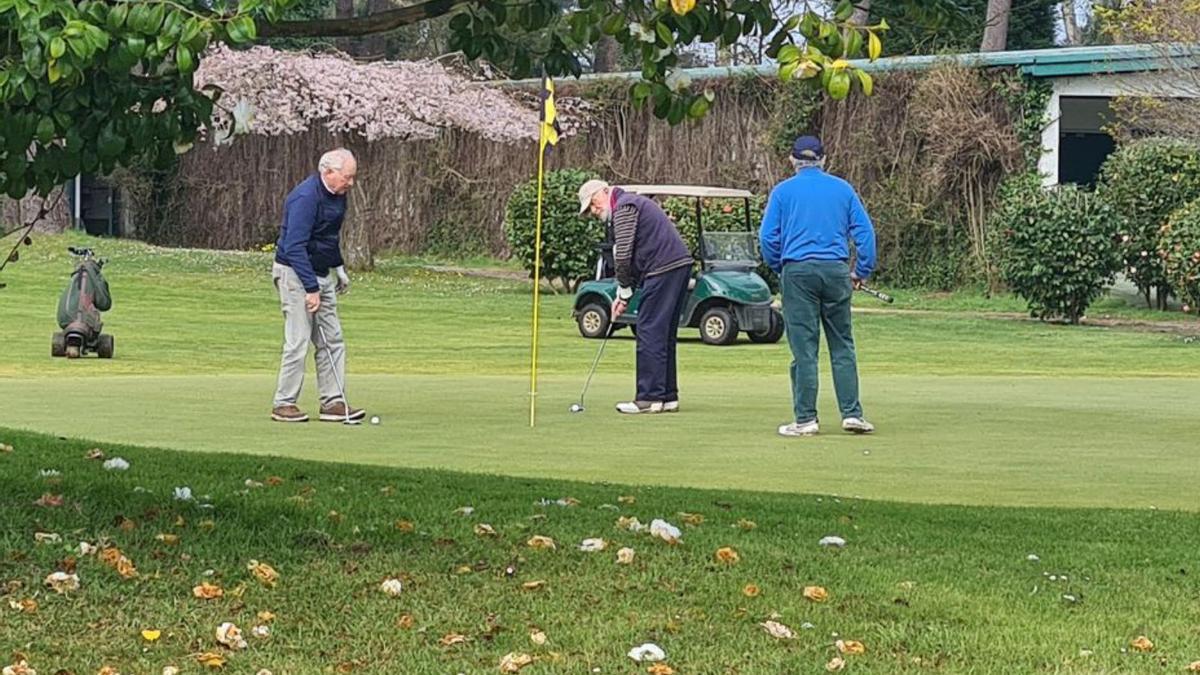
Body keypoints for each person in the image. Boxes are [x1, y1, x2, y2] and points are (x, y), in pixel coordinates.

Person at [759, 136, 877, 437]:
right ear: (823, 159)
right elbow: (865, 235)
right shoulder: (842, 189)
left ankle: (805, 419)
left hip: (797, 271)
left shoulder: (783, 192)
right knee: (842, 344)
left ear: (792, 160)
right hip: (836, 270)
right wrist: (860, 270)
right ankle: (852, 414)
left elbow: (768, 239)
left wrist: (780, 267)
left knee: (804, 348)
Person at [578, 179, 693, 414]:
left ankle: (649, 397)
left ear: (605, 191)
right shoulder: (629, 204)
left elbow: (623, 253)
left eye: (593, 203)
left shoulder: (624, 206)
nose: (593, 209)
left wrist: (623, 290)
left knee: (649, 329)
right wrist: (624, 296)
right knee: (662, 333)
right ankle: (667, 396)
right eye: (589, 208)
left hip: (663, 267)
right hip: (675, 266)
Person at [270, 148, 365, 423]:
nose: (351, 183)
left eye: (352, 177)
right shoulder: (305, 198)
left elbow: (328, 238)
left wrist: (339, 269)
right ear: (328, 172)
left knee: (332, 339)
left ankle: (333, 402)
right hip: (294, 273)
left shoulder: (338, 196)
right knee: (298, 339)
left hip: (321, 273)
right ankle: (284, 403)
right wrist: (311, 288)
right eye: (347, 177)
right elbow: (294, 246)